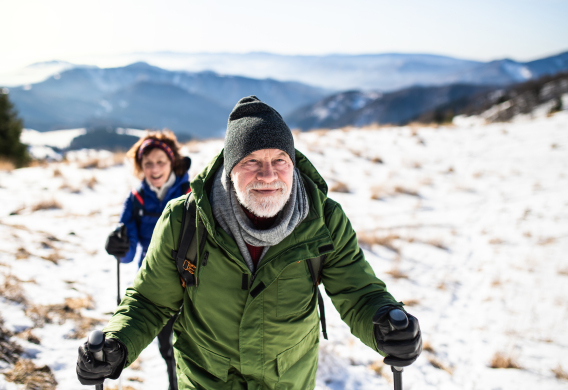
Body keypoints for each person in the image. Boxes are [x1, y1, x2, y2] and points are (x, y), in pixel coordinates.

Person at [77, 96, 422, 389]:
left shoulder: (323, 220)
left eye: (279, 161)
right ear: (230, 169)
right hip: (205, 379)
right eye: (252, 161)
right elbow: (150, 301)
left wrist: (385, 324)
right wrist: (117, 343)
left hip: (286, 381)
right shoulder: (186, 220)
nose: (268, 175)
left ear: (293, 164)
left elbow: (359, 292)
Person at [103, 131, 190, 390]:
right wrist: (118, 245)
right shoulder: (136, 199)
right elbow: (128, 253)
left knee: (191, 348)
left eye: (160, 162)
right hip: (154, 282)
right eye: (148, 163)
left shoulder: (191, 193)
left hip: (192, 280)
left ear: (172, 162)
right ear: (140, 166)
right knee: (168, 348)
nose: (154, 169)